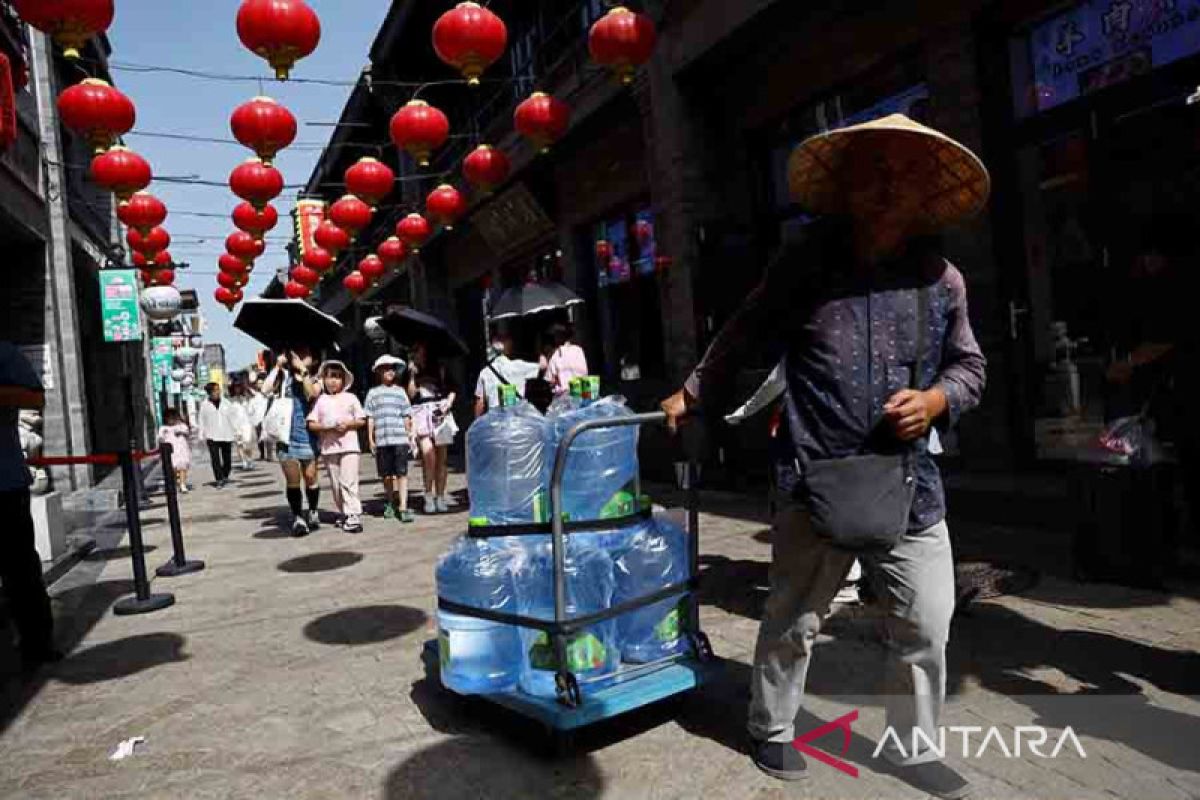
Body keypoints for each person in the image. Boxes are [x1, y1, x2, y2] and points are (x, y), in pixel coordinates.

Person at [661, 114, 987, 798]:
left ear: (923, 194)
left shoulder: (942, 279)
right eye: (873, 173)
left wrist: (934, 401)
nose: (886, 188)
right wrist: (692, 391)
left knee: (927, 620)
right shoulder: (806, 264)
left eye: (902, 176)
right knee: (796, 616)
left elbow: (971, 368)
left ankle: (914, 743)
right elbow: (745, 331)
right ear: (847, 188)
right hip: (816, 473)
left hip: (909, 483)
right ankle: (772, 726)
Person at [0, 342, 60, 670]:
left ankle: (37, 642)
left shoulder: (5, 353)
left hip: (5, 483)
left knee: (20, 569)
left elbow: (34, 397)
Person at [265, 347, 324, 536]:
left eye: (304, 354)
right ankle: (298, 517)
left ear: (313, 360)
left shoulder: (317, 379)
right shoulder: (284, 378)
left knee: (310, 477)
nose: (298, 356)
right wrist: (277, 367)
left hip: (307, 436)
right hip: (286, 436)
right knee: (293, 480)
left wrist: (303, 371)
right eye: (296, 353)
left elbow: (311, 395)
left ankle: (313, 511)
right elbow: (265, 389)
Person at [308, 361, 367, 534]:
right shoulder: (321, 401)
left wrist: (348, 424)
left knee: (349, 481)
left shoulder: (351, 398)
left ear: (343, 380)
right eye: (329, 377)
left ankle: (353, 514)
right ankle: (343, 512)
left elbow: (361, 419)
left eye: (337, 377)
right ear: (324, 379)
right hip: (329, 448)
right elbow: (312, 423)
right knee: (335, 484)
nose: (333, 381)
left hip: (349, 446)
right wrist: (327, 427)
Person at [408, 341, 458, 514]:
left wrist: (448, 404)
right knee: (428, 455)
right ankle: (428, 495)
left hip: (439, 412)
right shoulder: (410, 371)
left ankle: (440, 496)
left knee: (441, 458)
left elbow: (452, 388)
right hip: (421, 413)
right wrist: (412, 376)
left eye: (420, 350)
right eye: (415, 351)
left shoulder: (440, 368)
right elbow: (411, 395)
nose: (418, 354)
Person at [365, 355, 415, 523]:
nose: (389, 372)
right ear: (379, 372)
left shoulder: (400, 392)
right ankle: (390, 501)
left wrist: (409, 434)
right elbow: (370, 417)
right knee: (386, 475)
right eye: (385, 368)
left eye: (392, 368)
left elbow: (406, 415)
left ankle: (403, 506)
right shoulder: (373, 393)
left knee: (402, 473)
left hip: (399, 438)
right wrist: (371, 439)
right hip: (382, 440)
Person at [474, 332, 541, 417]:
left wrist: (477, 423)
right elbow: (543, 366)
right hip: (516, 418)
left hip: (495, 420)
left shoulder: (484, 373)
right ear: (508, 348)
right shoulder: (519, 366)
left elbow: (480, 403)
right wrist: (541, 352)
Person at [197, 382, 236, 488]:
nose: (218, 392)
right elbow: (201, 420)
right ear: (209, 393)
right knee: (215, 459)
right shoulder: (204, 405)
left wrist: (237, 431)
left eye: (218, 389)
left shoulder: (226, 403)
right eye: (215, 390)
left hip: (226, 433)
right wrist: (201, 434)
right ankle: (219, 479)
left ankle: (225, 475)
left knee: (227, 459)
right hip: (211, 435)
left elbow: (233, 417)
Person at [544, 322, 588, 396]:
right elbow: (585, 372)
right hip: (583, 391)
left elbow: (550, 380)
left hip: (565, 395)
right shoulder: (579, 350)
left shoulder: (555, 355)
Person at [157, 408, 193, 494]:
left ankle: (182, 484)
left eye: (173, 417)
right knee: (172, 469)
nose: (171, 420)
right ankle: (174, 483)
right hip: (170, 452)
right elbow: (160, 438)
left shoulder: (181, 426)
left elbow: (187, 433)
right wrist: (162, 438)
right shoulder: (163, 428)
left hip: (182, 450)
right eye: (169, 418)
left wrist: (181, 432)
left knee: (182, 467)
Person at [228, 381, 257, 471]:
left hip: (246, 424)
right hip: (236, 425)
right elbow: (229, 414)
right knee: (239, 444)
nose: (237, 389)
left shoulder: (246, 399)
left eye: (239, 387)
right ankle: (244, 461)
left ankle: (250, 460)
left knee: (248, 443)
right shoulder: (230, 401)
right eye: (235, 387)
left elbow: (252, 410)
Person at [247, 377, 271, 462]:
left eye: (262, 383)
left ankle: (269, 455)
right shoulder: (254, 396)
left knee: (268, 437)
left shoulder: (268, 394)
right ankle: (262, 454)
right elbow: (250, 409)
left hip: (267, 418)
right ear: (256, 385)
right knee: (260, 438)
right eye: (259, 383)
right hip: (258, 419)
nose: (260, 385)